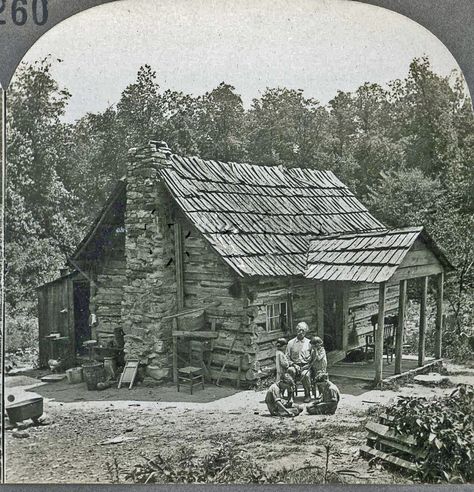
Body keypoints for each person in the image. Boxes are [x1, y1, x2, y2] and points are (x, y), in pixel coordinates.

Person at [286, 321, 312, 402]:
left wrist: (307, 365)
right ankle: (290, 395)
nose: (301, 332)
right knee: (290, 371)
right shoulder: (290, 343)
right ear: (296, 331)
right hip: (294, 365)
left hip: (306, 366)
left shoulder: (309, 343)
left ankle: (307, 395)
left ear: (306, 331)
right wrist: (293, 364)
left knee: (305, 375)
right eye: (299, 330)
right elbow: (286, 357)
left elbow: (313, 357)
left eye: (303, 330)